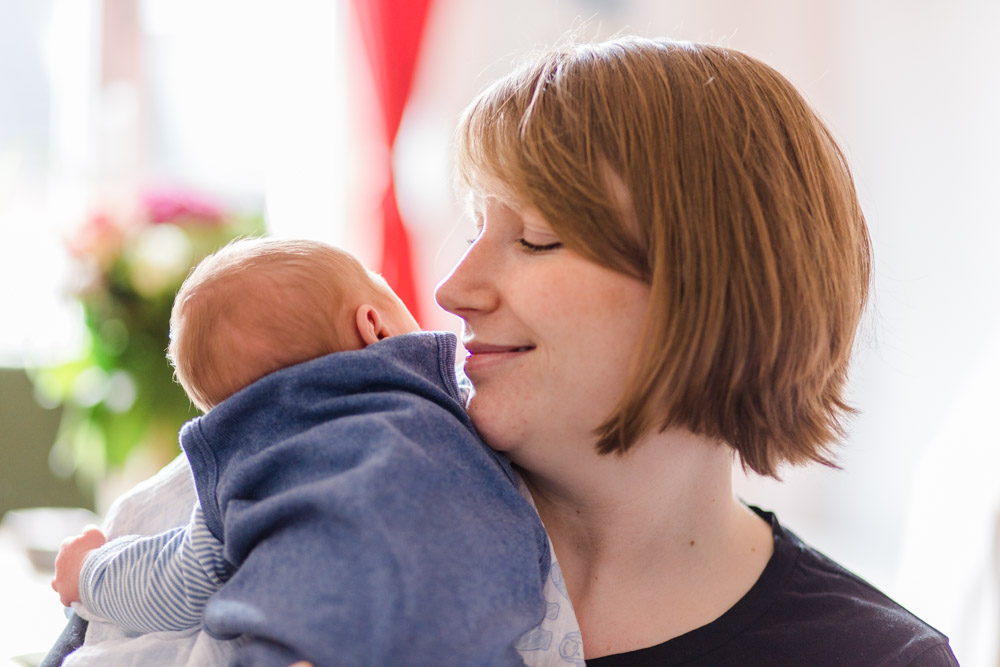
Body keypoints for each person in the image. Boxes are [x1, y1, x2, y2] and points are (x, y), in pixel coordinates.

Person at [433, 36, 959, 665]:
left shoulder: (873, 657)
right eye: (474, 231)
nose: (453, 290)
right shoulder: (363, 557)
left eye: (538, 237)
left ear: (718, 282)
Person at [49, 238, 578, 666]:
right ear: (374, 326)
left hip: (303, 639)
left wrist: (90, 572)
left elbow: (177, 582)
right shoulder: (463, 413)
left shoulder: (248, 461)